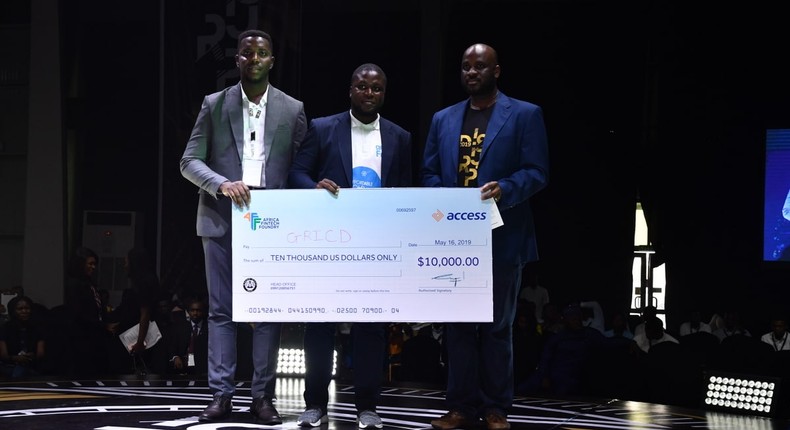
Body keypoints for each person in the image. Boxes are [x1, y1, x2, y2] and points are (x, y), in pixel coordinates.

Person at [180, 28, 306, 424]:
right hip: (221, 218)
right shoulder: (214, 104)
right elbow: (189, 161)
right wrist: (220, 184)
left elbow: (302, 168)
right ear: (237, 60)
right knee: (222, 311)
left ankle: (263, 397)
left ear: (272, 60)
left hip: (271, 224)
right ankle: (220, 394)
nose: (254, 59)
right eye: (247, 53)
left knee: (268, 311)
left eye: (263, 53)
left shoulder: (292, 108)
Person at [421, 43, 549, 430]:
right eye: (465, 66)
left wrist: (507, 189)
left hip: (503, 235)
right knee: (458, 328)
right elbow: (428, 172)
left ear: (497, 70)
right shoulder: (443, 119)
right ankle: (460, 406)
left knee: (496, 327)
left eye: (480, 66)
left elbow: (537, 171)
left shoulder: (524, 114)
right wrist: (440, 197)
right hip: (454, 238)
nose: (471, 72)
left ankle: (496, 408)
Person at [288, 63, 412, 429]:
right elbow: (296, 172)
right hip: (328, 241)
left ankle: (368, 406)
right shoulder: (324, 128)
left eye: (376, 88)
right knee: (319, 325)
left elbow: (406, 191)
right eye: (362, 86)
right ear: (351, 90)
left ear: (383, 94)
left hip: (376, 244)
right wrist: (314, 187)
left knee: (371, 328)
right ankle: (315, 404)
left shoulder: (399, 136)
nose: (369, 93)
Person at [0, 295, 45, 378]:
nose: (24, 311)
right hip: (9, 367)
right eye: (20, 309)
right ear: (13, 310)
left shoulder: (37, 328)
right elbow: (3, 355)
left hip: (32, 365)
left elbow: (40, 353)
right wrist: (15, 358)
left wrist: (31, 356)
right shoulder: (5, 328)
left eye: (27, 308)